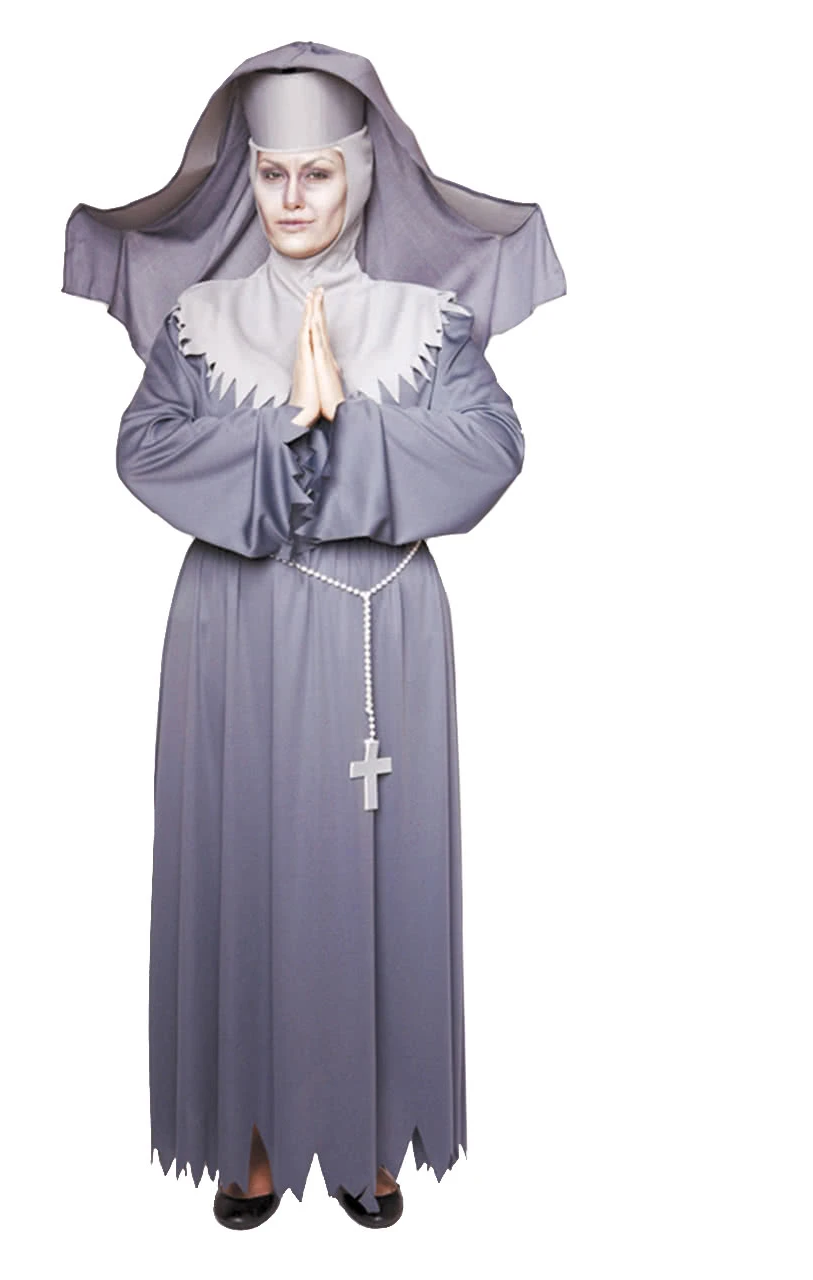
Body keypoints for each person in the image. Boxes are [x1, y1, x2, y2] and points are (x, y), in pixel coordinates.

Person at [62, 42, 566, 1232]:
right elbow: (144, 451)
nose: (290, 200)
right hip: (234, 635)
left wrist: (351, 426)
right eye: (270, 173)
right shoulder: (198, 322)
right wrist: (286, 419)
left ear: (360, 173)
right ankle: (247, 1131)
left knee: (376, 875)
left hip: (382, 640)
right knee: (243, 863)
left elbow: (491, 450)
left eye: (317, 174)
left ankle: (364, 1132)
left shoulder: (425, 321)